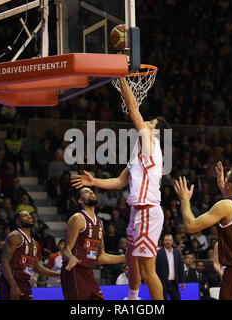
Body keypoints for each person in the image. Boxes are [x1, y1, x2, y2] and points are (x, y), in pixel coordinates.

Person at [71, 77, 170, 300]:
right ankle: (133, 299)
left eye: (151, 123)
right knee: (131, 258)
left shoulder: (152, 144)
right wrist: (94, 182)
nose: (147, 124)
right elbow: (120, 181)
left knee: (147, 269)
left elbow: (134, 110)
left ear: (156, 132)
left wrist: (122, 78)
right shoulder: (140, 150)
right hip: (138, 211)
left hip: (148, 210)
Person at [174, 162, 232, 300]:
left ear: (230, 185)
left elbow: (191, 226)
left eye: (227, 178)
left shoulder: (226, 206)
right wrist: (224, 187)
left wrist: (185, 200)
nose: (224, 179)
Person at [61, 187, 126, 300]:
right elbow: (67, 250)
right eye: (86, 192)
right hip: (75, 271)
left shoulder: (100, 223)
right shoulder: (78, 218)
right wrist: (71, 257)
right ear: (80, 200)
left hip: (88, 273)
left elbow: (101, 257)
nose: (91, 192)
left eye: (91, 191)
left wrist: (127, 258)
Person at [0, 211, 60, 300]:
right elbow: (4, 261)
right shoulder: (15, 236)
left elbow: (37, 267)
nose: (29, 217)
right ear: (17, 222)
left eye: (30, 216)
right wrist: (13, 285)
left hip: (25, 283)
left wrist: (58, 274)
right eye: (25, 216)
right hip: (11, 282)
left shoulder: (33, 242)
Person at [155, 233, 186, 300]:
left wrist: (183, 281)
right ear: (163, 241)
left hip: (174, 283)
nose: (168, 242)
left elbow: (180, 268)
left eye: (169, 240)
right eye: (166, 240)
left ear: (172, 241)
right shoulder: (159, 253)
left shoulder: (176, 253)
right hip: (162, 283)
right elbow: (156, 269)